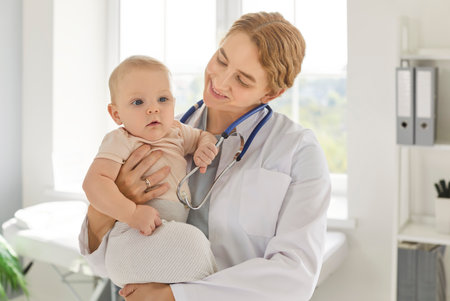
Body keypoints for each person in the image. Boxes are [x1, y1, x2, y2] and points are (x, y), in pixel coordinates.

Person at [79, 11, 331, 301]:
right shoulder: (159, 127)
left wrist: (175, 296)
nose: (220, 82)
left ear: (271, 93)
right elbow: (101, 262)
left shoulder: (297, 151)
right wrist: (110, 206)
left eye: (243, 79)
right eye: (222, 59)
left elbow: (294, 278)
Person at [82, 55, 218, 287]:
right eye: (138, 102)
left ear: (174, 103)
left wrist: (205, 146)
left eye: (163, 99)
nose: (153, 109)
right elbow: (93, 184)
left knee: (194, 250)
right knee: (194, 244)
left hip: (160, 240)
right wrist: (132, 212)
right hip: (131, 239)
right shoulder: (120, 139)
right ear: (116, 114)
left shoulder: (177, 132)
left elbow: (203, 136)